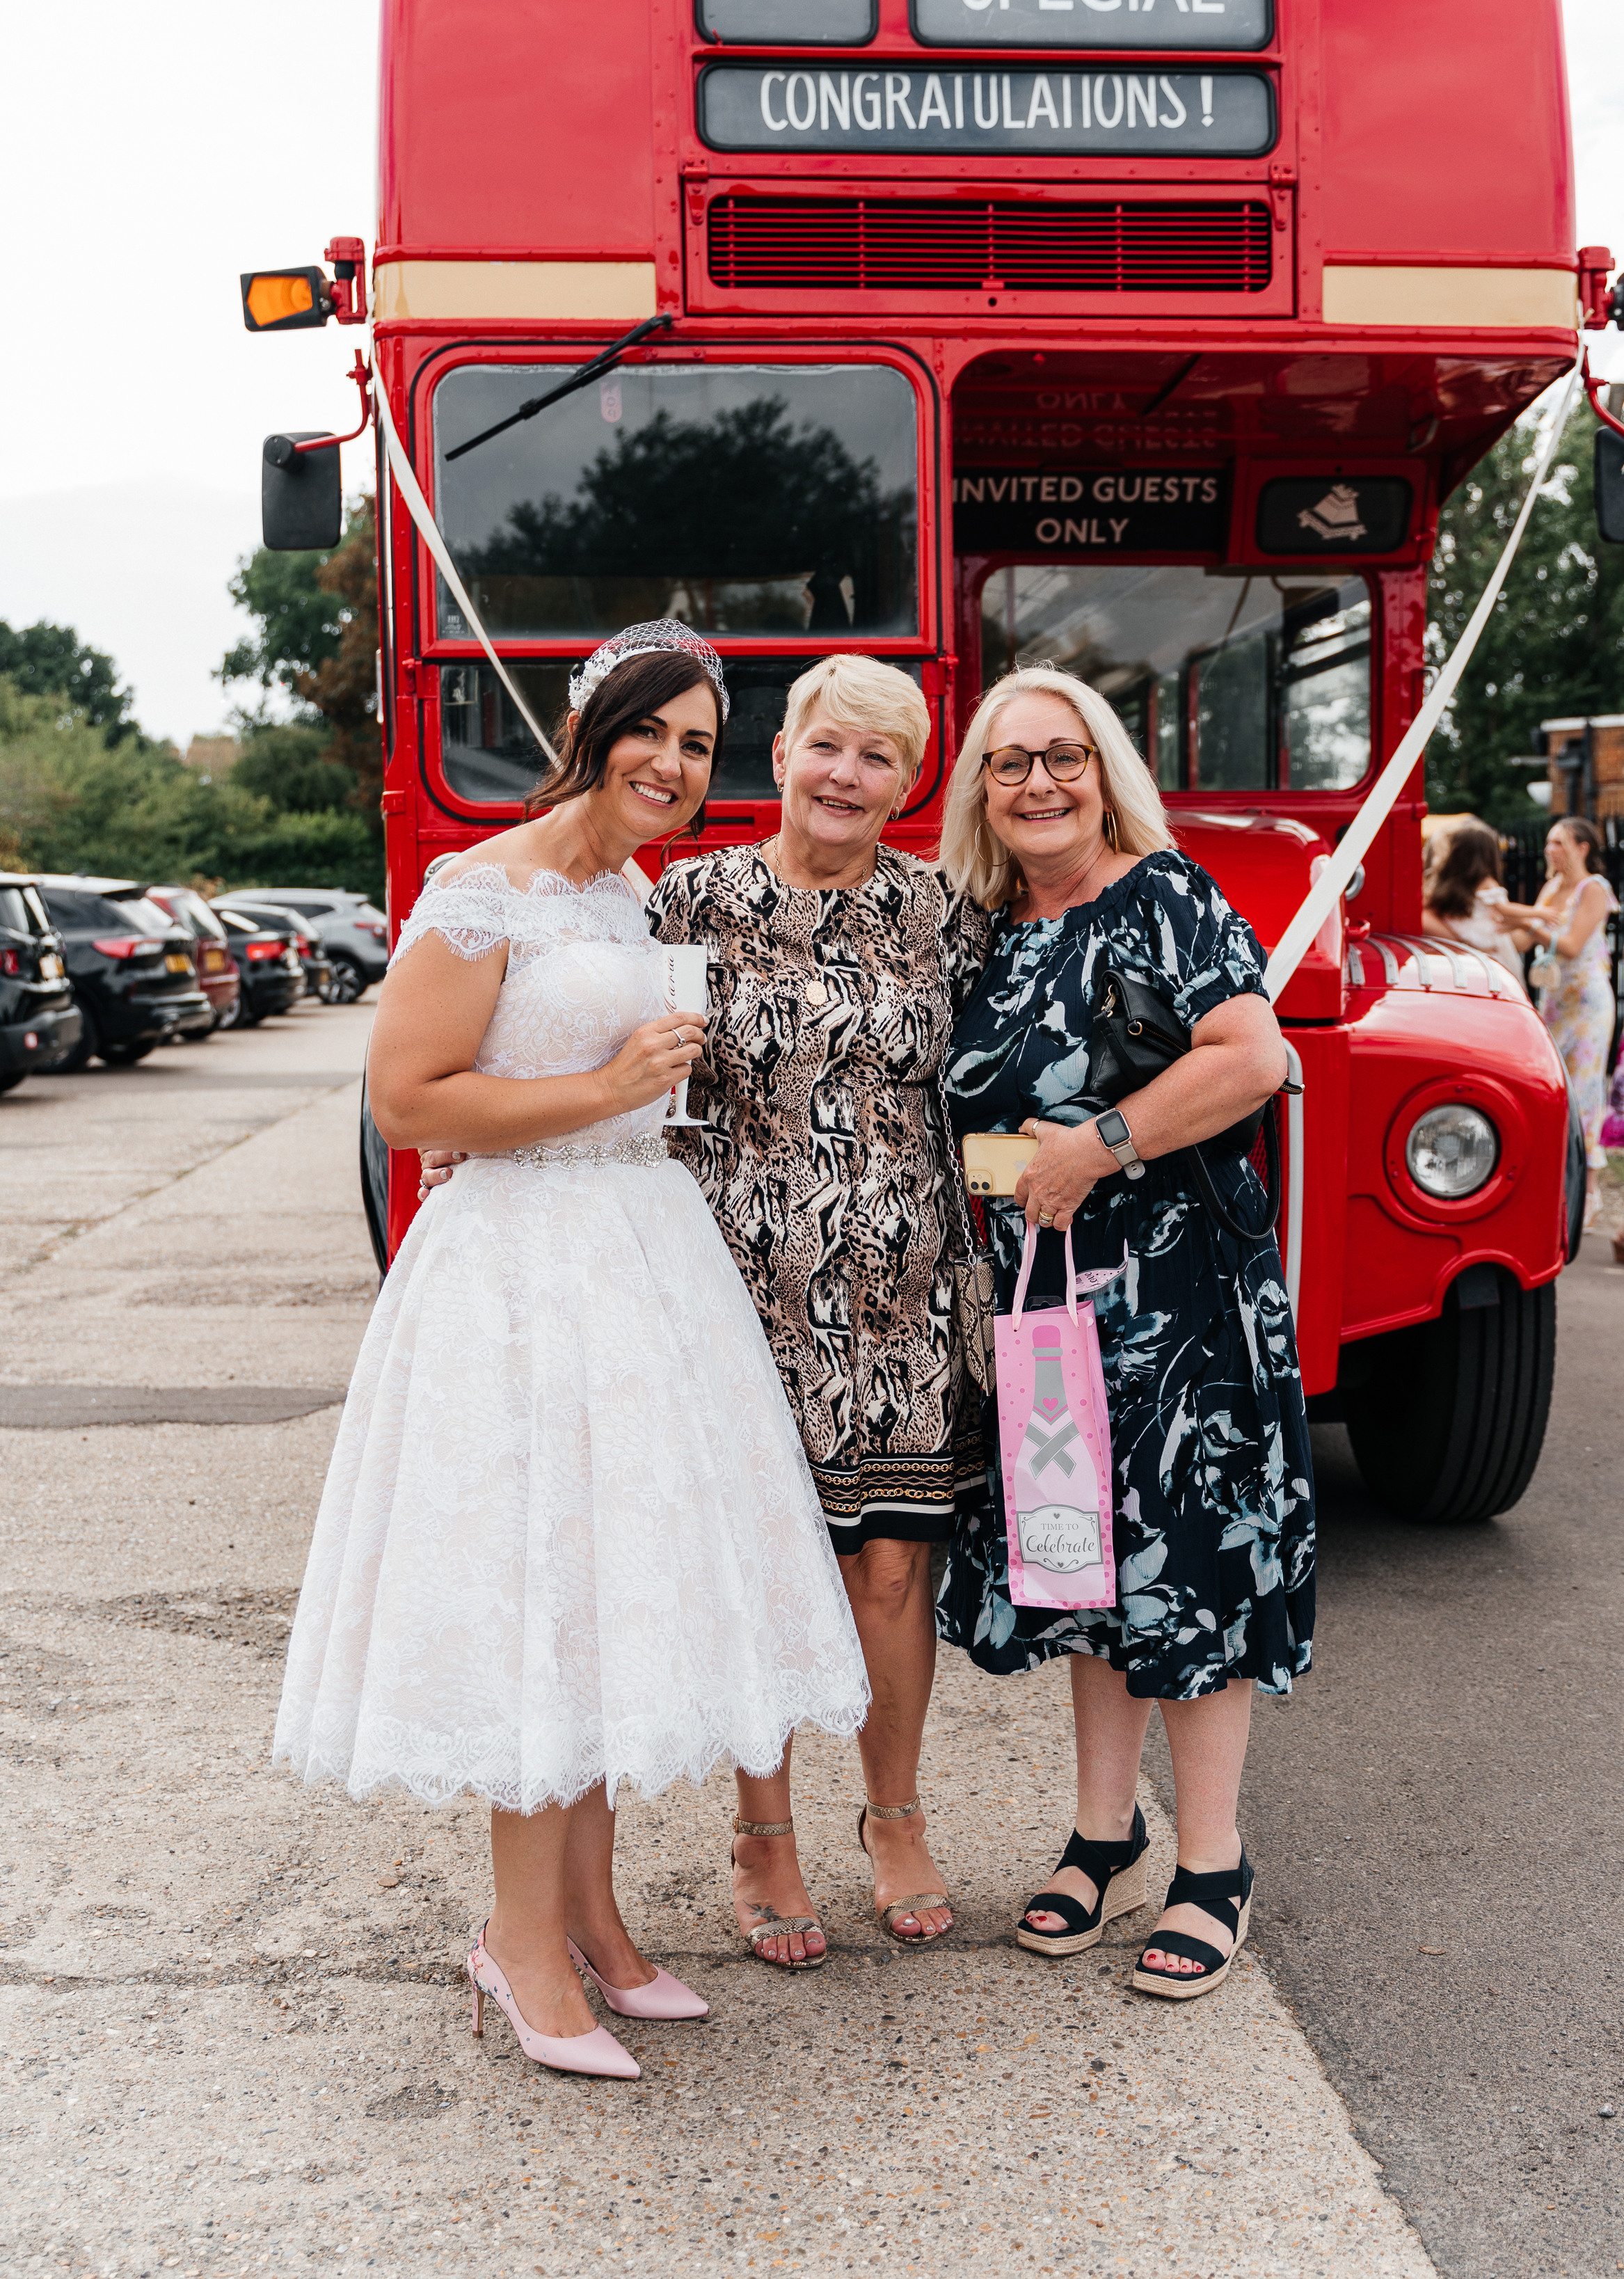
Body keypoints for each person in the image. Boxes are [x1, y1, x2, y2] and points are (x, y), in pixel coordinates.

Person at [273, 624, 868, 2079]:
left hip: (639, 1254)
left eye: (697, 745)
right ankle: (518, 1943)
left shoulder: (627, 898)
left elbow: (627, 1094)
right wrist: (606, 1083)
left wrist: (640, 1094)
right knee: (540, 1587)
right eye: (648, 731)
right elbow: (411, 1103)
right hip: (521, 1269)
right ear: (587, 724)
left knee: (609, 1585)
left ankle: (597, 1923)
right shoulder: (480, 894)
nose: (671, 765)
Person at [935, 662, 1314, 2001]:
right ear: (980, 792)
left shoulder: (1162, 894)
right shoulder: (981, 926)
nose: (1038, 782)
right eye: (1008, 762)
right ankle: (1102, 1831)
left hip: (1180, 1307)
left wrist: (1097, 1145)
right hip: (1045, 1310)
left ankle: (1211, 1865)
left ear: (1102, 771)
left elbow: (1248, 1057)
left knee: (1194, 1574)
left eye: (1062, 756)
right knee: (1082, 1567)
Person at [646, 653, 991, 1965]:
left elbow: (1002, 1085)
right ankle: (763, 1837)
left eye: (880, 758)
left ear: (908, 784)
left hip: (899, 1295)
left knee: (891, 1564)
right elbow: (601, 1054)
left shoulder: (945, 913)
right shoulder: (692, 896)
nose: (848, 776)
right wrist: (472, 1140)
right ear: (781, 753)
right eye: (827, 747)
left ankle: (892, 1816)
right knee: (762, 1571)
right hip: (732, 1290)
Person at [1527, 814, 1618, 1225]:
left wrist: (1517, 915)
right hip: (1555, 1002)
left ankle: (1589, 1192)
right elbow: (1521, 937)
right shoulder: (1550, 888)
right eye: (1549, 842)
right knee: (1554, 1088)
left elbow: (1571, 944)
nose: (1551, 850)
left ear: (1582, 847)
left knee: (1583, 1090)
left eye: (1559, 842)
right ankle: (1557, 1184)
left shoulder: (1593, 889)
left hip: (1587, 1005)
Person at [1421, 816, 1535, 987]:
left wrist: (1527, 925)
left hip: (1481, 963)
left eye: (1442, 852)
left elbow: (1514, 940)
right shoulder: (1445, 893)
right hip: (1471, 964)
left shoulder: (1461, 893)